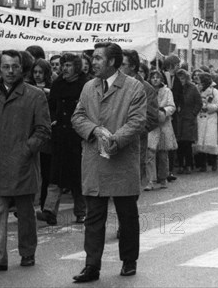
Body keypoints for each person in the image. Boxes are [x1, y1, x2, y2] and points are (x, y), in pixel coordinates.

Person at [71, 42, 147, 282]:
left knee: (127, 214)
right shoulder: (88, 87)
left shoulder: (134, 88)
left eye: (97, 58)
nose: (92, 62)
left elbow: (137, 121)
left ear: (112, 62)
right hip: (95, 159)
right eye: (93, 58)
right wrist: (94, 131)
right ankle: (91, 265)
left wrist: (115, 139)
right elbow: (78, 116)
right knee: (94, 216)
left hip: (121, 159)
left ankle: (128, 260)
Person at [0, 50, 51, 273]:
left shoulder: (35, 95)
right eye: (6, 66)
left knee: (25, 212)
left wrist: (27, 149)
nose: (10, 71)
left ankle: (27, 252)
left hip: (23, 164)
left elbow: (43, 129)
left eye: (15, 66)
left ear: (22, 68)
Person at [38, 53, 87, 225]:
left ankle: (81, 212)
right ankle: (50, 211)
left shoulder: (85, 84)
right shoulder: (58, 83)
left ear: (77, 67)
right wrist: (53, 120)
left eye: (68, 65)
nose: (63, 69)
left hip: (78, 135)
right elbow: (51, 105)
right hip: (60, 134)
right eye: (63, 65)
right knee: (55, 174)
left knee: (77, 175)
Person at [120, 50, 159, 189]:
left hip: (134, 143)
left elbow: (153, 118)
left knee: (129, 191)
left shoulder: (146, 88)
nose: (118, 68)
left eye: (122, 64)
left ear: (132, 66)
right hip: (113, 142)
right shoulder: (112, 85)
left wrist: (133, 131)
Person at [28, 58, 53, 218]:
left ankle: (44, 206)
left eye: (40, 72)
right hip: (28, 134)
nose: (37, 75)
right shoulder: (26, 89)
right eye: (35, 72)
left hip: (44, 137)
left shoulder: (52, 89)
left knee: (45, 173)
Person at [145, 70, 176, 190]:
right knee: (150, 153)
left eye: (158, 77)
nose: (155, 79)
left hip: (163, 124)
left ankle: (163, 178)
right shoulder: (147, 90)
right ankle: (150, 180)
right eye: (153, 77)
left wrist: (163, 112)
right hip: (151, 125)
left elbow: (172, 106)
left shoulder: (167, 91)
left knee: (163, 154)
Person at [193, 72, 218, 172]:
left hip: (210, 118)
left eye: (200, 82)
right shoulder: (196, 90)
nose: (199, 84)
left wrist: (209, 107)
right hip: (199, 118)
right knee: (200, 140)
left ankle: (213, 162)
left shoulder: (214, 91)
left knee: (211, 140)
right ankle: (202, 164)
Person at [174, 69, 201, 175]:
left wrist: (193, 114)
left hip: (188, 120)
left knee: (187, 144)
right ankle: (180, 165)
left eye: (183, 78)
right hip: (178, 120)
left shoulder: (193, 88)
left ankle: (189, 165)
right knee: (179, 144)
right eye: (179, 78)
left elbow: (198, 103)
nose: (181, 80)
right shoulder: (175, 89)